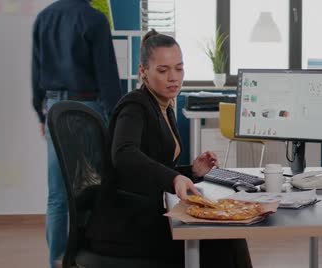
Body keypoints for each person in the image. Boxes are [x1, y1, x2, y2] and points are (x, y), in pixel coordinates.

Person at [85, 30, 254, 267]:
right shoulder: (134, 106)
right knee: (223, 239)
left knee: (227, 234)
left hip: (145, 214)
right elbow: (124, 154)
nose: (173, 77)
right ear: (143, 71)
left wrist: (191, 171)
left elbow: (155, 167)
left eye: (179, 68)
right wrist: (174, 177)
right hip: (125, 227)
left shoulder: (163, 106)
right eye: (163, 70)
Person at [31, 0, 121, 267]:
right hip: (88, 110)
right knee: (91, 187)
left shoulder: (44, 17)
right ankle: (85, 257)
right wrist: (115, 117)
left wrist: (42, 115)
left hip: (55, 109)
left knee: (57, 193)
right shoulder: (95, 19)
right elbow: (107, 75)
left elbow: (36, 71)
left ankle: (56, 259)